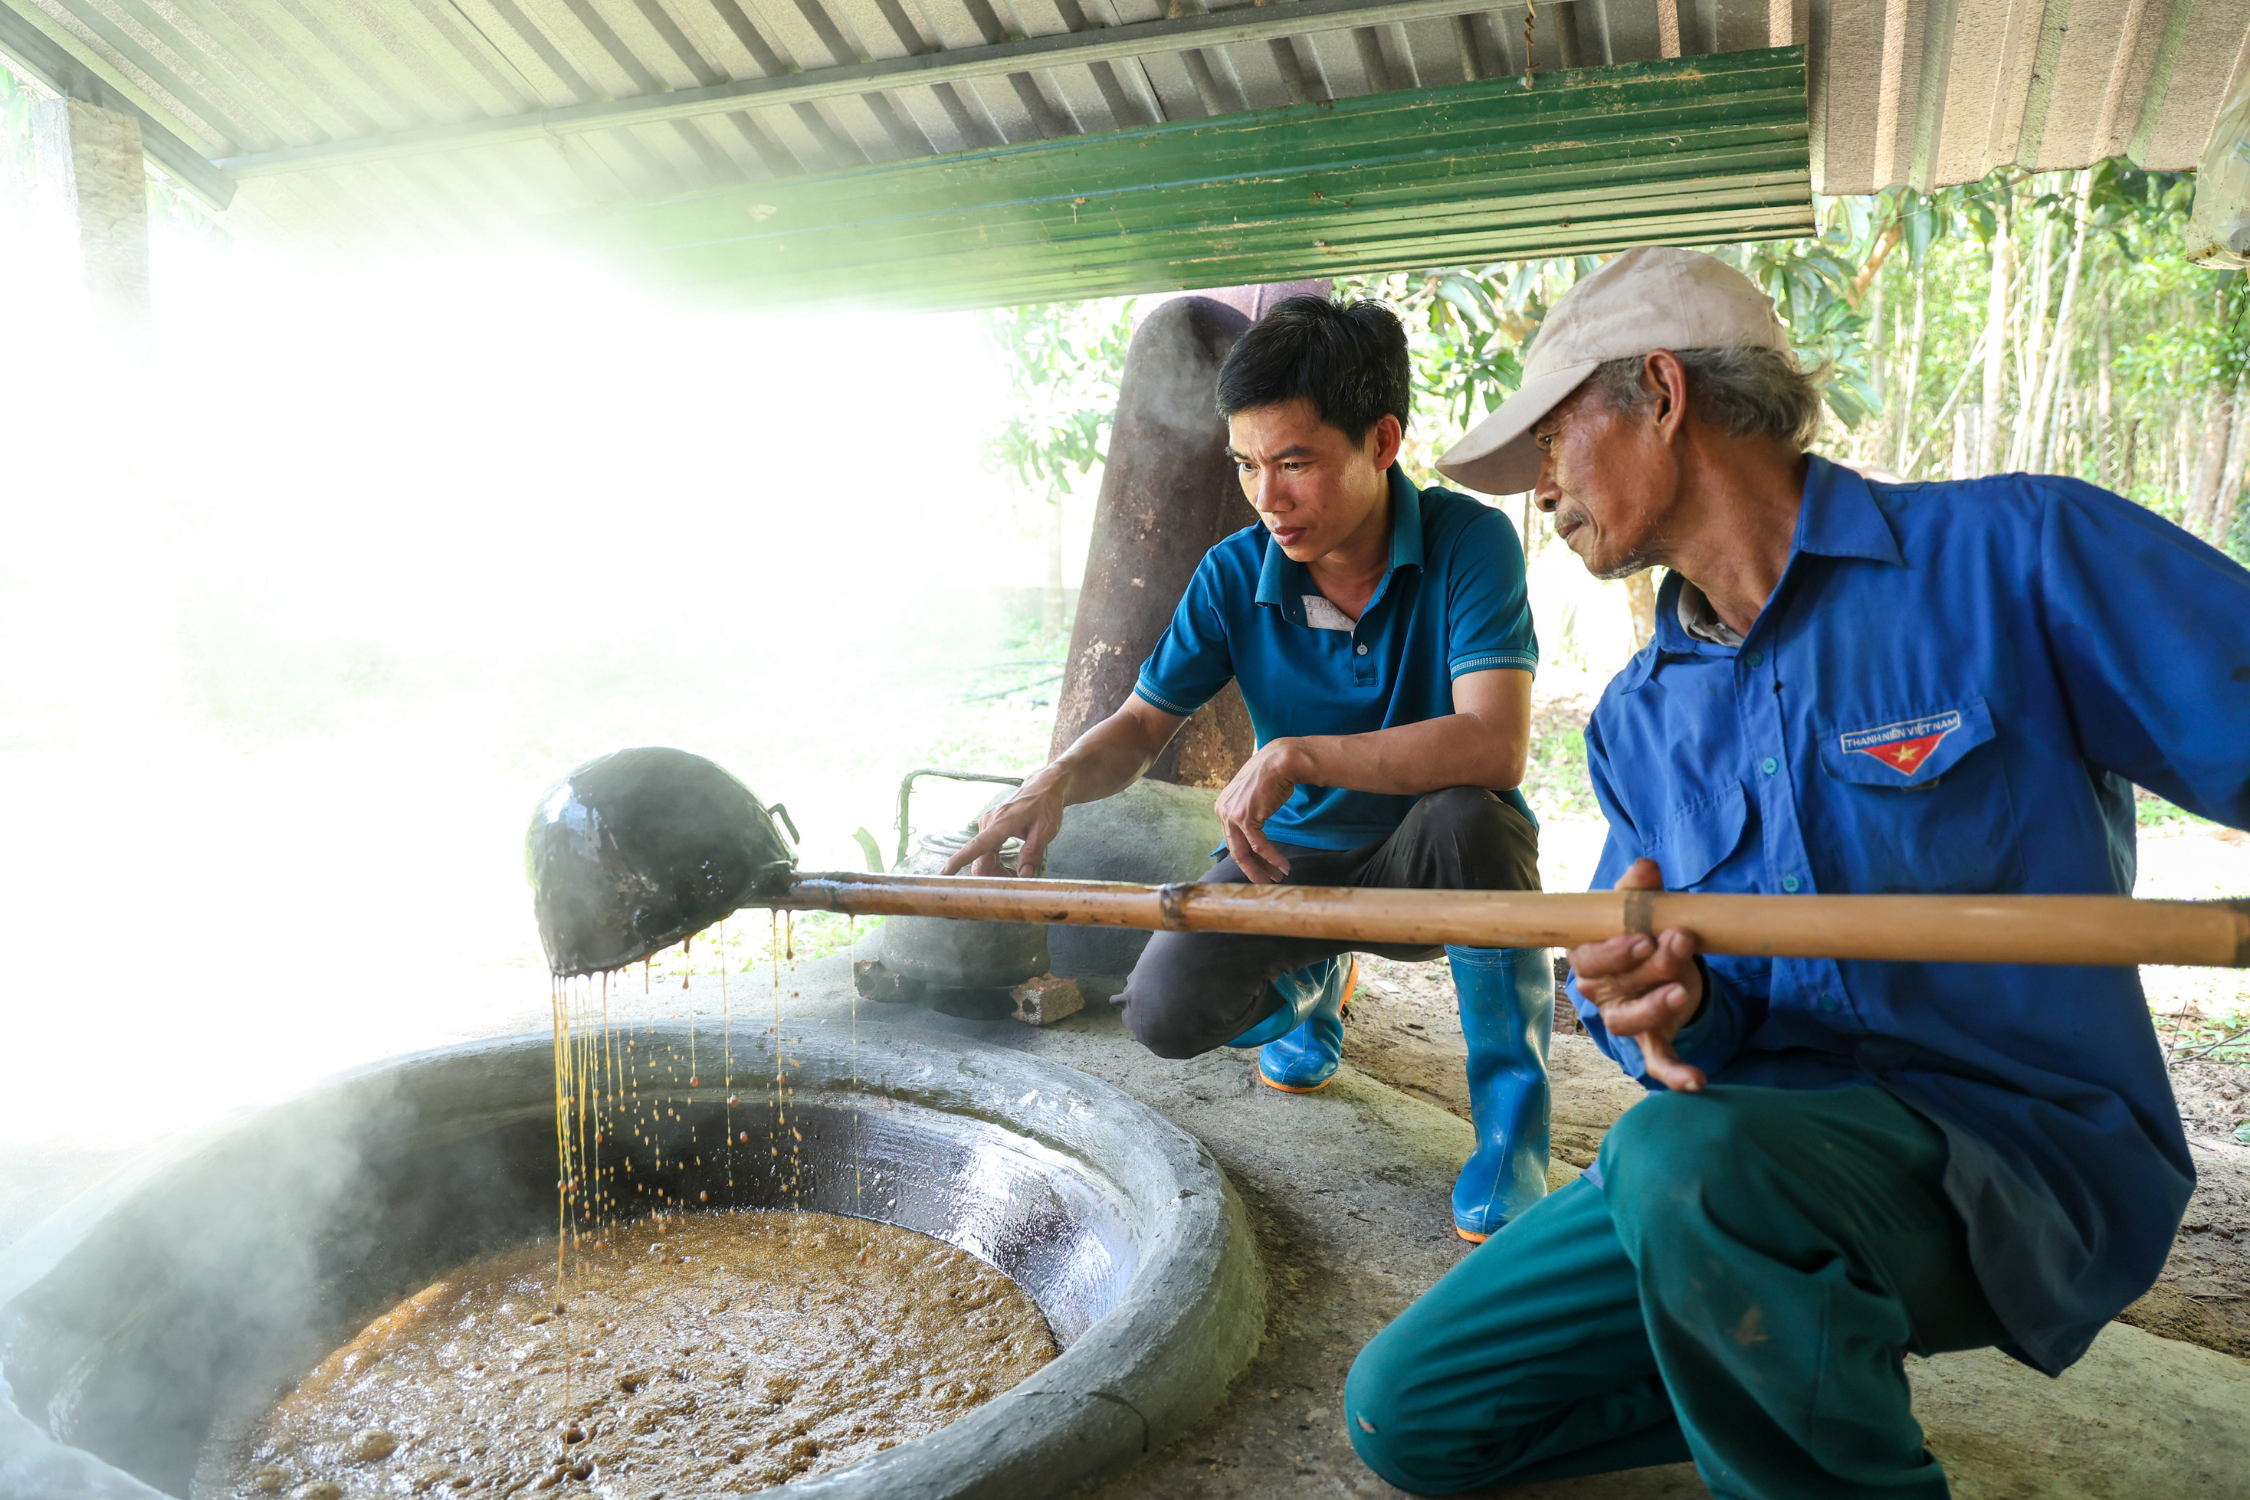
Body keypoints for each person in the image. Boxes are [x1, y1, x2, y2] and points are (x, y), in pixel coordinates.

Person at [1343, 245, 2250, 1497]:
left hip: (2021, 1152)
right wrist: (1659, 1003)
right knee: (1412, 1416)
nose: (1541, 493)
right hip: (1753, 1163)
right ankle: (1801, 1363)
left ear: (1661, 393)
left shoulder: (2012, 556)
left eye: (1553, 441)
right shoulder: (1638, 721)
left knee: (1680, 1164)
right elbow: (1671, 1027)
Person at [946, 296, 1555, 1241]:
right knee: (1161, 1012)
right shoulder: (1235, 572)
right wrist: (1053, 780)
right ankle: (1311, 985)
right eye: (1247, 465)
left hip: (1430, 863)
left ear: (1382, 440)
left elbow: (1493, 743)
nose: (1267, 497)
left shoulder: (1470, 543)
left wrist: (1298, 752)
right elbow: (1143, 723)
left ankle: (1513, 1132)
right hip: (1289, 867)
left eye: (1295, 463)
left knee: (1470, 817)